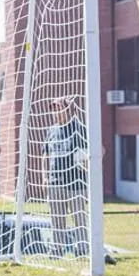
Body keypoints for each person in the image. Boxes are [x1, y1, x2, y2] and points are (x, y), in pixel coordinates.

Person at [45, 97, 89, 256]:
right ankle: (56, 250)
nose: (55, 112)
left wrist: (86, 164)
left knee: (79, 219)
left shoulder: (79, 128)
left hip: (75, 184)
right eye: (53, 109)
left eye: (58, 108)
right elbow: (46, 155)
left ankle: (82, 250)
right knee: (57, 219)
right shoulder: (51, 130)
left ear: (68, 110)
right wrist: (45, 178)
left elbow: (96, 151)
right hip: (55, 183)